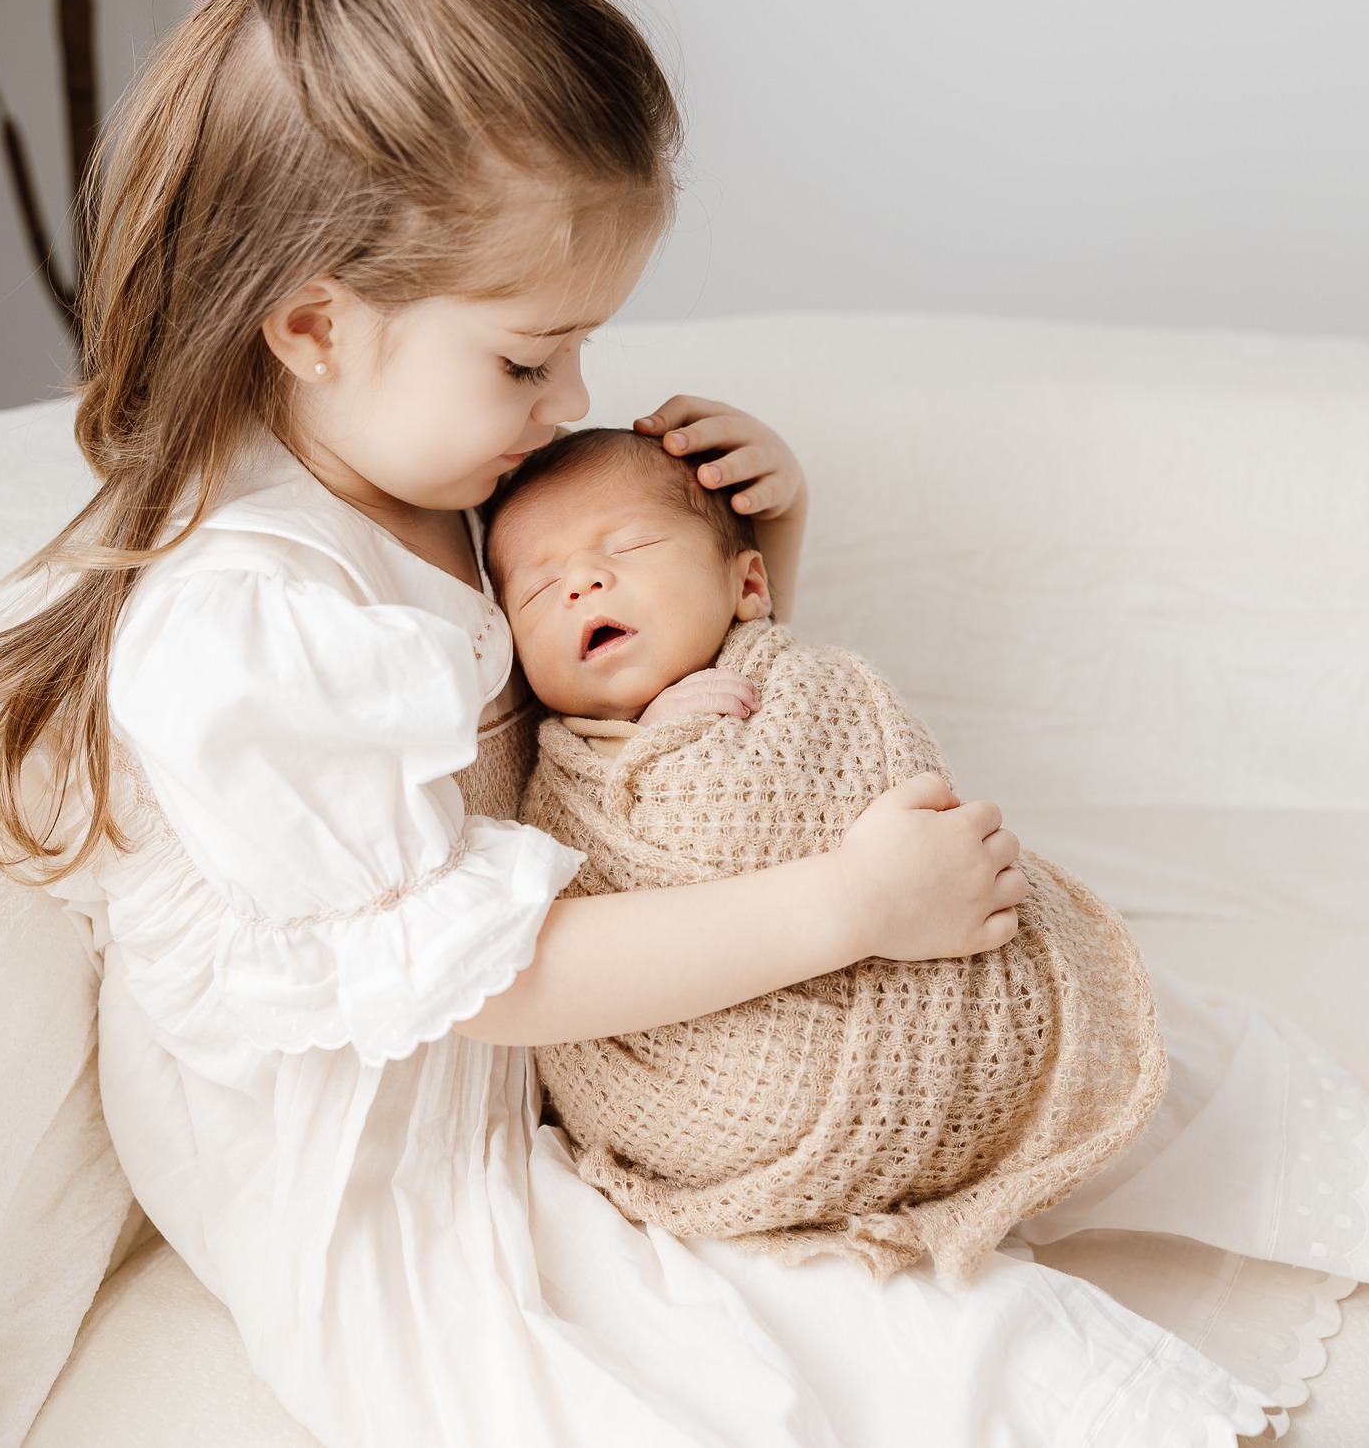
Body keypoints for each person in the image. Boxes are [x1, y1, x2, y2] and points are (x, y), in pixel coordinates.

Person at [0, 0, 1347, 1447]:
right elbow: (497, 983)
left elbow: (645, 738)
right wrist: (843, 907)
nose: (573, 399)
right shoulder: (256, 636)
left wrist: (759, 550)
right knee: (822, 1347)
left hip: (573, 1018)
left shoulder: (440, 473)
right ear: (316, 324)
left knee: (1117, 1044)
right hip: (397, 1150)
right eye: (531, 357)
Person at [485, 425, 1167, 1285]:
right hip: (713, 1091)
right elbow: (598, 917)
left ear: (748, 586)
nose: (583, 581)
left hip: (901, 995)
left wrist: (696, 742)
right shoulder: (562, 776)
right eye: (541, 590)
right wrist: (662, 744)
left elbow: (828, 791)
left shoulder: (798, 684)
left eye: (629, 546)